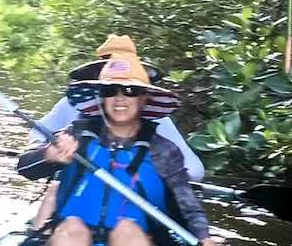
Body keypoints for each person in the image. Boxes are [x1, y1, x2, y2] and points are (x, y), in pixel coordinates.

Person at [17, 52, 224, 246]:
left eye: (130, 91)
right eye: (109, 90)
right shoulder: (77, 134)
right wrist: (48, 155)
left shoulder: (163, 150)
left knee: (127, 229)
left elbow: (187, 205)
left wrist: (203, 237)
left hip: (138, 242)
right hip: (70, 239)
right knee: (72, 227)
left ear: (144, 97)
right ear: (101, 97)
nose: (119, 99)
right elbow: (25, 167)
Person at [31, 35, 205, 181]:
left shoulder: (157, 119)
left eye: (128, 89)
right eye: (109, 86)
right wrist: (47, 153)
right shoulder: (69, 105)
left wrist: (159, 178)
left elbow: (195, 168)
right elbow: (38, 134)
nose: (118, 92)